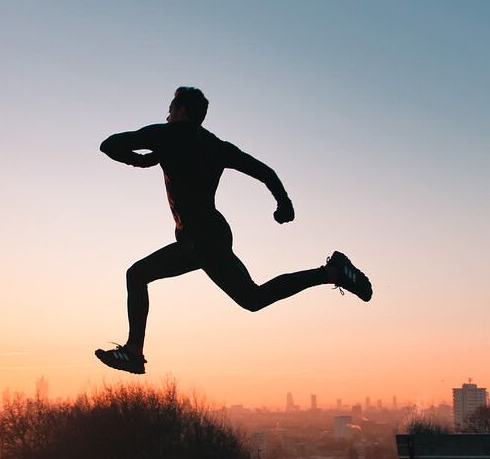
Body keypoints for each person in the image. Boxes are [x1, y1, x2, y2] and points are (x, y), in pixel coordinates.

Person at [95, 87, 371, 374]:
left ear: (181, 110)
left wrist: (144, 160)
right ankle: (333, 272)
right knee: (253, 298)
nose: (166, 116)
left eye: (170, 110)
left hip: (198, 241)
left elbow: (109, 145)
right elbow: (264, 171)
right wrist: (284, 203)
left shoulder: (164, 135)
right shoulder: (216, 145)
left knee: (137, 274)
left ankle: (134, 351)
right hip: (212, 235)